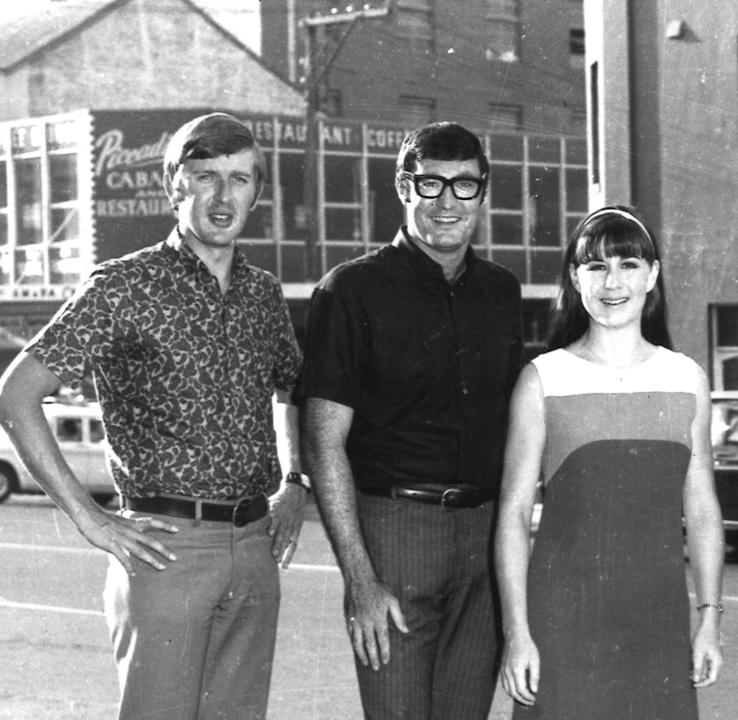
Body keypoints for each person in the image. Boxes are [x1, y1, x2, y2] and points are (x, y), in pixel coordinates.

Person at [0, 112, 307, 720]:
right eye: (205, 177)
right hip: (165, 550)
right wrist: (91, 518)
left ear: (257, 192)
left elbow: (288, 388)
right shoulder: (123, 286)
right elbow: (16, 394)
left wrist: (293, 482)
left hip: (254, 548)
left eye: (240, 179)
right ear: (175, 186)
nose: (223, 197)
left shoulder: (264, 294)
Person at [298, 121, 523, 719]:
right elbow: (322, 446)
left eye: (465, 185)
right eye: (431, 184)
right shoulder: (350, 290)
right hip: (394, 533)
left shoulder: (503, 293)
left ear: (484, 192)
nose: (448, 202)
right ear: (403, 187)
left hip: (484, 537)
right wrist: (360, 581)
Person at [495, 205, 725, 719]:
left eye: (627, 264)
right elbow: (512, 515)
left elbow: (704, 510)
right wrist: (518, 634)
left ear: (653, 276)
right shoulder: (542, 379)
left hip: (656, 621)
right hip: (562, 620)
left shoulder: (686, 378)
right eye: (596, 266)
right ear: (576, 279)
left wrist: (709, 620)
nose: (612, 281)